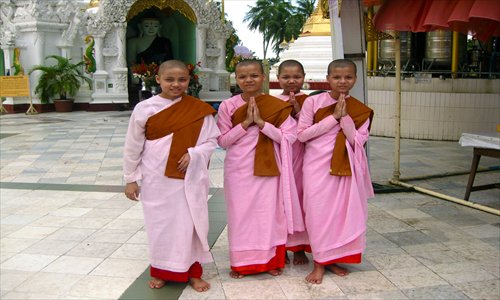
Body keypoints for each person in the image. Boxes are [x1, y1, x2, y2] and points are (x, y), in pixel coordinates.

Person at [123, 60, 220, 292]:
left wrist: (195, 154)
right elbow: (132, 145)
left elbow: (211, 140)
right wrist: (130, 178)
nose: (176, 84)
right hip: (156, 178)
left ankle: (194, 272)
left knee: (191, 223)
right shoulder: (145, 108)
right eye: (169, 79)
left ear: (189, 80)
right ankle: (162, 270)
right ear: (158, 79)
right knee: (161, 225)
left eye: (182, 80)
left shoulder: (198, 108)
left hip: (189, 178)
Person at [217, 60, 304, 279]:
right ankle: (242, 264)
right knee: (241, 215)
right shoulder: (228, 106)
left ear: (263, 77)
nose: (249, 80)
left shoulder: (276, 105)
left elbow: (290, 136)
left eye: (254, 75)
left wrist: (263, 124)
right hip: (239, 169)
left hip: (269, 168)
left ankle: (270, 261)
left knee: (269, 215)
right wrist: (246, 124)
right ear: (236, 79)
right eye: (243, 76)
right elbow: (223, 141)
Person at [297, 59, 374, 284]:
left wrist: (346, 118)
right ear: (328, 78)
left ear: (355, 79)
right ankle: (319, 262)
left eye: (348, 77)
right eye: (337, 77)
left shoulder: (360, 110)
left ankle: (331, 259)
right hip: (316, 167)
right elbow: (302, 134)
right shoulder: (313, 103)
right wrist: (333, 118)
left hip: (345, 169)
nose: (342, 81)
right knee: (318, 214)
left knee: (340, 216)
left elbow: (358, 141)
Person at [275, 60, 310, 265]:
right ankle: (281, 247)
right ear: (278, 78)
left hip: (305, 157)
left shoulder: (312, 101)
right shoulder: (271, 102)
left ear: (304, 77)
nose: (291, 81)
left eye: (296, 76)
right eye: (286, 77)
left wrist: (298, 112)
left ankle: (300, 248)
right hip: (280, 157)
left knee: (301, 200)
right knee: (281, 202)